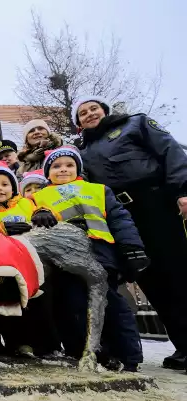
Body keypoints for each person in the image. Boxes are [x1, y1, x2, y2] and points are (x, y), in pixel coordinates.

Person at [73, 95, 187, 372]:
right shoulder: (81, 153)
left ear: (104, 110)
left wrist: (183, 190)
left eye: (93, 109)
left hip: (156, 205)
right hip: (123, 217)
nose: (89, 114)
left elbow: (170, 151)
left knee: (179, 274)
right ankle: (184, 345)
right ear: (78, 124)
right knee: (152, 281)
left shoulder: (135, 124)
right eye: (82, 113)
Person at [33, 145, 147, 371]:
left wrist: (132, 248)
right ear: (47, 173)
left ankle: (128, 355)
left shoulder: (98, 190)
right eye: (56, 166)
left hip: (100, 252)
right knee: (73, 306)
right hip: (65, 258)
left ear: (78, 168)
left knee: (111, 305)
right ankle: (87, 352)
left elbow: (120, 219)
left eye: (69, 165)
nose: (63, 169)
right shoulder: (39, 196)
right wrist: (38, 214)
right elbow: (32, 220)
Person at [0, 161, 59, 357]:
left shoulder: (26, 203)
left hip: (33, 265)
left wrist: (44, 213)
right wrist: (2, 230)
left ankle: (40, 346)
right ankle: (2, 345)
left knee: (38, 308)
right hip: (3, 267)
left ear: (13, 187)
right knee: (5, 308)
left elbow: (49, 214)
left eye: (5, 184)